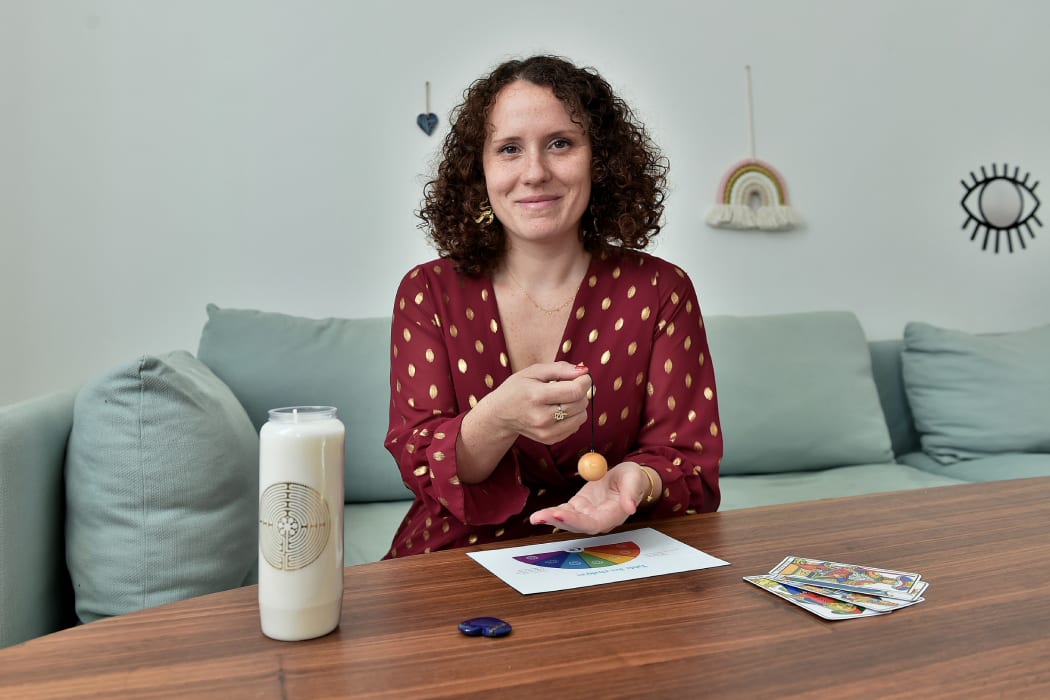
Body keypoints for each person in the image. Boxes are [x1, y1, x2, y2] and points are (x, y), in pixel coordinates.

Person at [384, 55, 721, 558]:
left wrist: (636, 481)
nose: (535, 172)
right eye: (509, 149)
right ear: (480, 170)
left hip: (617, 549)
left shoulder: (662, 290)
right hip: (456, 557)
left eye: (560, 143)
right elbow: (421, 465)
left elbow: (689, 464)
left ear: (600, 160)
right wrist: (498, 418)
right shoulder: (427, 291)